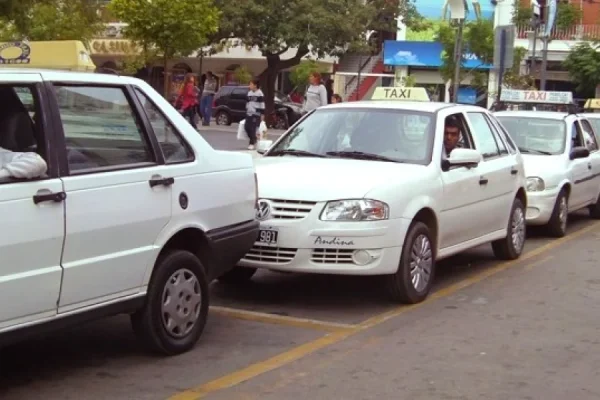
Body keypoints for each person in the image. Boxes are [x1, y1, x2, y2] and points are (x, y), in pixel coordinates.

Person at [245, 79, 265, 150]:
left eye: (251, 84)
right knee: (246, 127)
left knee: (252, 128)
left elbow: (262, 105)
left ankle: (251, 143)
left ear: (255, 85)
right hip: (249, 113)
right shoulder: (249, 93)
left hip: (256, 114)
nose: (249, 86)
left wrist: (262, 115)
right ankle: (254, 138)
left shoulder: (260, 93)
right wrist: (247, 109)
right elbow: (247, 102)